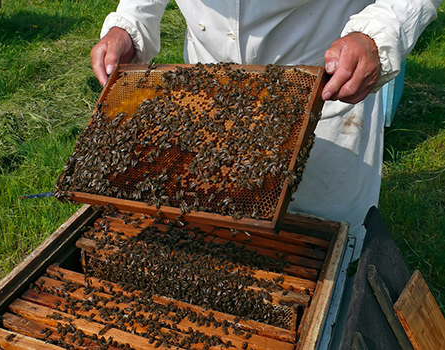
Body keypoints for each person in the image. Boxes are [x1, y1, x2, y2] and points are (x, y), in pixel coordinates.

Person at [91, 0, 441, 257]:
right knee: (210, 242)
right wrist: (129, 23)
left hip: (323, 81)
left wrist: (378, 33)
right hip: (209, 91)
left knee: (324, 256)